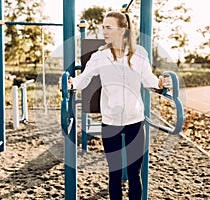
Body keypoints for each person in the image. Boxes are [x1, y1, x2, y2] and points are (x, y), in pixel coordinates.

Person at [67, 11, 168, 200]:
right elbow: (84, 78)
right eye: (103, 27)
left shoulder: (139, 54)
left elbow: (149, 80)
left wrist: (160, 84)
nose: (104, 31)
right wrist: (71, 83)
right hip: (111, 121)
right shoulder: (100, 56)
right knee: (114, 174)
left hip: (135, 121)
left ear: (122, 30)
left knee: (134, 175)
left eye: (108, 28)